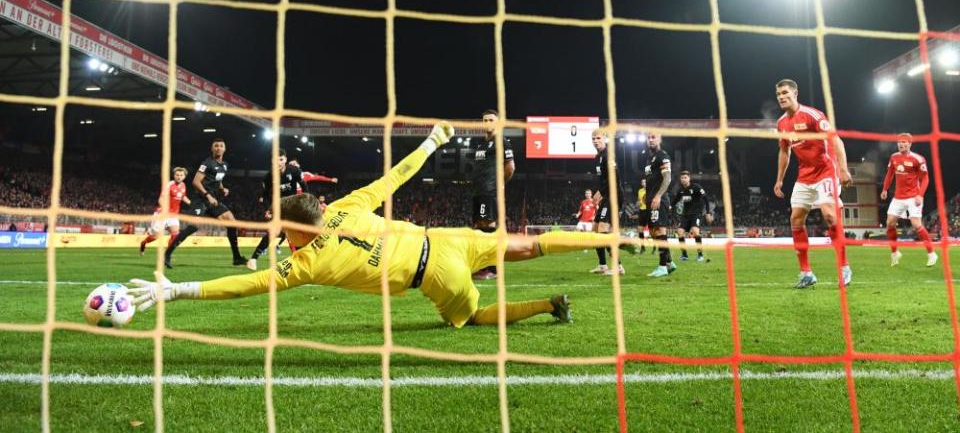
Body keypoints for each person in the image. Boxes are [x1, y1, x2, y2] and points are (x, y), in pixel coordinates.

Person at [127, 123, 628, 328]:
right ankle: (616, 236)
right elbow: (397, 175)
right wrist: (433, 142)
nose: (280, 236)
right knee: (531, 246)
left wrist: (180, 291)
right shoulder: (344, 206)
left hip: (436, 278)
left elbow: (248, 285)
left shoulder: (307, 263)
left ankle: (545, 305)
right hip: (448, 240)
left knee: (473, 318)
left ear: (296, 233)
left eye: (282, 230)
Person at [773, 79, 853, 289]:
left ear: (795, 93)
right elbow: (784, 151)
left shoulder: (813, 115)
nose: (781, 97)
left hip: (826, 171)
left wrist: (843, 169)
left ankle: (844, 267)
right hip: (804, 176)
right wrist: (779, 179)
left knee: (829, 215)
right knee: (796, 220)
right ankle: (806, 272)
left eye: (785, 92)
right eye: (778, 94)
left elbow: (835, 140)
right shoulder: (782, 123)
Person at [165, 139, 243, 268]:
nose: (218, 148)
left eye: (221, 146)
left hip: (212, 200)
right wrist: (207, 195)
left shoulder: (224, 165)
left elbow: (218, 180)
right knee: (193, 227)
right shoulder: (207, 163)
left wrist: (222, 188)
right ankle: (167, 254)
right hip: (201, 199)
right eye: (216, 146)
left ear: (225, 149)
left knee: (232, 222)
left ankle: (237, 257)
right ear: (212, 149)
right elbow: (196, 182)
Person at [247, 149, 314, 271]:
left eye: (281, 159)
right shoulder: (269, 176)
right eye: (276, 160)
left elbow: (304, 186)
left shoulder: (294, 171)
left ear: (285, 160)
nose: (279, 162)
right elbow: (266, 195)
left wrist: (306, 201)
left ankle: (303, 260)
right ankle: (253, 259)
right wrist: (268, 209)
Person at [470, 109, 515, 280]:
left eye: (491, 120)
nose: (488, 123)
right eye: (485, 120)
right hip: (478, 191)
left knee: (488, 225)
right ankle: (483, 266)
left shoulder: (502, 141)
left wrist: (499, 184)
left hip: (489, 191)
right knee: (480, 227)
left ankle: (493, 269)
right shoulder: (479, 144)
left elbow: (510, 166)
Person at [881, 133, 936, 267]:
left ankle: (931, 254)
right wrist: (885, 189)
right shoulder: (894, 157)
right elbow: (890, 174)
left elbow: (925, 179)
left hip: (913, 196)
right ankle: (895, 253)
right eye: (899, 142)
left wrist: (920, 195)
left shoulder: (918, 159)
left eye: (904, 142)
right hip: (898, 197)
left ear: (910, 144)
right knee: (890, 223)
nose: (901, 144)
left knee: (916, 225)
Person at [590, 129, 624, 275]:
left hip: (613, 196)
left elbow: (614, 178)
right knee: (595, 230)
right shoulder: (598, 157)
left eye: (598, 138)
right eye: (593, 139)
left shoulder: (608, 155)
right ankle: (603, 265)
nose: (595, 141)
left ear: (605, 139)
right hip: (605, 197)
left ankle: (618, 267)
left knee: (603, 231)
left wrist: (600, 193)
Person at [643, 133, 676, 277]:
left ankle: (662, 267)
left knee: (660, 231)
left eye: (653, 137)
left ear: (660, 139)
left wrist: (658, 195)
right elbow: (652, 179)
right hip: (651, 198)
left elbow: (667, 178)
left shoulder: (663, 155)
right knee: (653, 232)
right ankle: (669, 262)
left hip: (659, 199)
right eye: (648, 137)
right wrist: (647, 194)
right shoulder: (649, 159)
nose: (651, 140)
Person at [140, 167, 191, 256]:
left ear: (184, 177)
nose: (179, 177)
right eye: (177, 175)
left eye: (181, 175)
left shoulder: (183, 185)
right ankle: (143, 243)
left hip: (173, 215)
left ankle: (167, 254)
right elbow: (161, 199)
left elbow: (183, 197)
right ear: (174, 175)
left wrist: (191, 203)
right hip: (162, 214)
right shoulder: (169, 185)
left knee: (175, 235)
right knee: (156, 236)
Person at [674, 170, 713, 262]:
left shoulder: (696, 187)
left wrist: (707, 213)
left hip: (696, 214)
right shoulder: (681, 191)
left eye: (685, 178)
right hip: (685, 215)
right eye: (682, 178)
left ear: (689, 178)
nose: (683, 179)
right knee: (680, 232)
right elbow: (675, 201)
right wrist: (670, 207)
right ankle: (684, 255)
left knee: (695, 232)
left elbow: (706, 199)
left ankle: (700, 255)